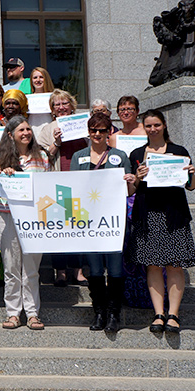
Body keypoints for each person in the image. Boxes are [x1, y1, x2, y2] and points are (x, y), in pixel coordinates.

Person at [128, 109, 195, 334]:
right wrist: (136, 177)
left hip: (173, 214)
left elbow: (190, 186)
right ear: (144, 128)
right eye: (148, 126)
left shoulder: (179, 152)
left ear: (164, 125)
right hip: (148, 214)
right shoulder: (137, 153)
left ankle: (173, 315)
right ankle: (158, 314)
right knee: (153, 265)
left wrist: (193, 173)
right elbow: (131, 190)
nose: (153, 129)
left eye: (156, 125)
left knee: (175, 265)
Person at [68, 113, 136, 333]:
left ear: (109, 132)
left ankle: (114, 313)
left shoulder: (119, 156)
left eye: (102, 130)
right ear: (88, 132)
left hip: (113, 220)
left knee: (115, 269)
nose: (97, 134)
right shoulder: (78, 156)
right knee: (95, 269)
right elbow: (72, 189)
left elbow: (129, 191)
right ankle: (99, 312)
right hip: (88, 222)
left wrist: (133, 181)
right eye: (93, 130)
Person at [0, 116, 50, 330]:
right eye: (21, 130)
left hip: (34, 219)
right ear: (10, 135)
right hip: (7, 217)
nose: (26, 133)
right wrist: (2, 176)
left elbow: (49, 186)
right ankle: (13, 313)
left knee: (31, 269)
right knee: (11, 268)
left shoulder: (42, 156)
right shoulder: (0, 157)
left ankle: (33, 313)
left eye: (28, 129)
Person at [35, 90, 87, 285]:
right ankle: (61, 272)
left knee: (78, 227)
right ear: (52, 110)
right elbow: (41, 156)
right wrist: (56, 142)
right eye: (57, 105)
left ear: (72, 106)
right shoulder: (48, 129)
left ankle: (78, 270)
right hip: (57, 183)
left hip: (79, 183)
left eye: (64, 103)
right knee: (59, 230)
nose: (61, 107)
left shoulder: (82, 124)